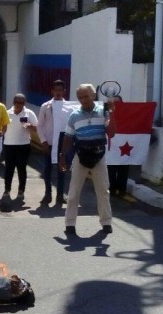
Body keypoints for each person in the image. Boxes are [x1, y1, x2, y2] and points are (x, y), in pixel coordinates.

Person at [59, 84, 115, 235]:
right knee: (73, 191)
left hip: (99, 156)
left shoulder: (103, 111)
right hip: (80, 155)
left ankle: (106, 222)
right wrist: (63, 156)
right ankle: (70, 224)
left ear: (94, 96)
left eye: (86, 96)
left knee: (103, 190)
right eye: (80, 97)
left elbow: (112, 133)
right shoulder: (74, 115)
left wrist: (111, 112)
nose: (83, 100)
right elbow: (68, 137)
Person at [37, 79, 70, 206]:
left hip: (62, 143)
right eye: (56, 90)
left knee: (62, 169)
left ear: (64, 92)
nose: (58, 93)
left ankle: (60, 195)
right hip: (49, 143)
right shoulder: (45, 106)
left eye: (60, 90)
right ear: (52, 91)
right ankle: (48, 194)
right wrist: (43, 141)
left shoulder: (68, 107)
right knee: (47, 169)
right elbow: (39, 126)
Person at [3, 93, 38, 201]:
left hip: (23, 145)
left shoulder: (29, 113)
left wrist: (30, 126)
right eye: (17, 102)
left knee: (21, 169)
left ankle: (21, 191)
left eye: (22, 103)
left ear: (24, 103)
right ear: (13, 102)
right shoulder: (7, 113)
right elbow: (1, 127)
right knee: (9, 169)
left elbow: (37, 127)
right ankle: (7, 190)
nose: (19, 105)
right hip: (9, 145)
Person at [106, 95, 131, 195]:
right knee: (111, 168)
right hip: (112, 145)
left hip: (124, 143)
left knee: (124, 167)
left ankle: (122, 189)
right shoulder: (107, 113)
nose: (116, 104)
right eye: (114, 102)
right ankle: (112, 188)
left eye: (118, 102)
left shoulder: (127, 114)